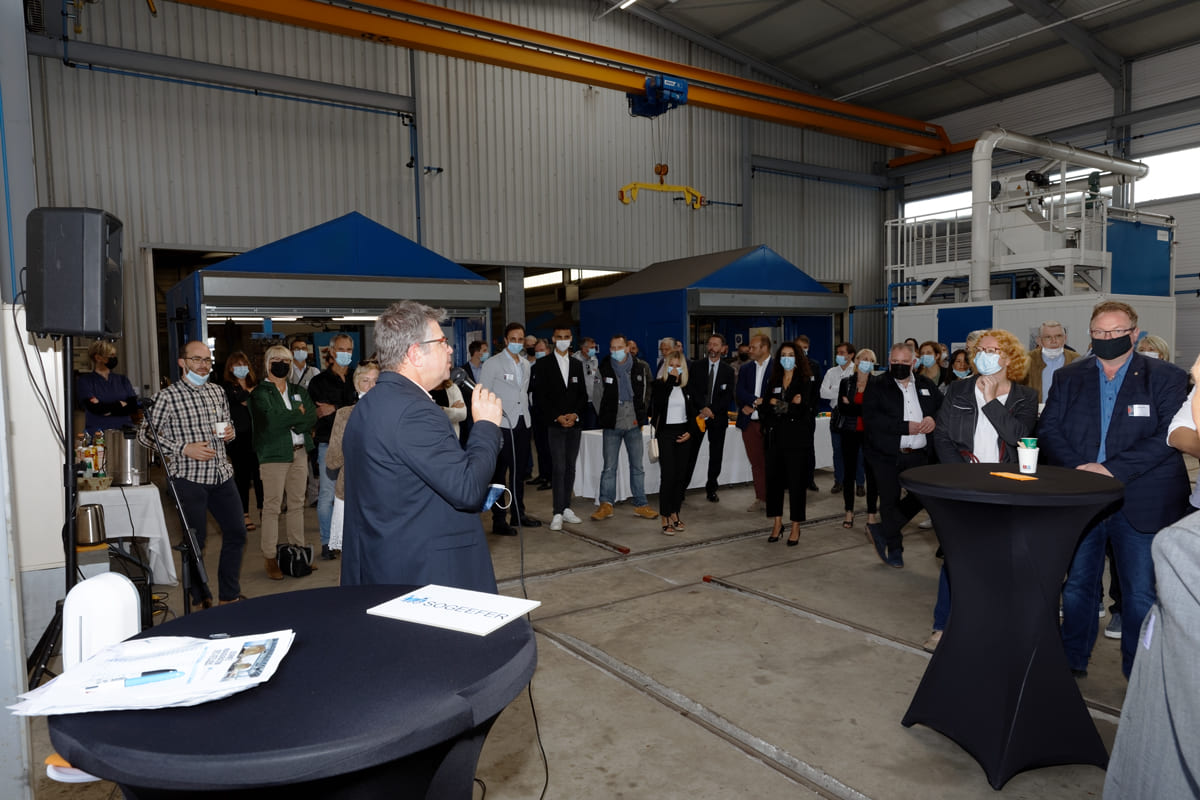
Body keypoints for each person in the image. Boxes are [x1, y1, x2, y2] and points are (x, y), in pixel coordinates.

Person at [1039, 300, 1190, 678]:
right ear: (1090, 335)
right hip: (1083, 497)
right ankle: (1070, 663)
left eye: (1115, 332)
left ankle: (1137, 673)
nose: (1106, 339)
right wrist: (1081, 469)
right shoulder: (1069, 378)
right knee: (1076, 590)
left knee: (1139, 595)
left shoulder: (1166, 377)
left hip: (1142, 500)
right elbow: (1049, 429)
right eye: (1099, 333)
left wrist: (1109, 469)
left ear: (1133, 334)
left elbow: (1166, 437)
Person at [341, 300, 504, 593]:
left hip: (387, 562)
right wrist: (485, 427)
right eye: (442, 342)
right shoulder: (414, 412)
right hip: (426, 574)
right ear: (416, 353)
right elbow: (467, 490)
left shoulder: (371, 404)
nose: (451, 349)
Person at [927, 330, 1037, 651]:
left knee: (1002, 558)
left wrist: (991, 401)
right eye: (981, 350)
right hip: (963, 484)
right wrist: (961, 476)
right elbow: (943, 437)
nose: (985, 355)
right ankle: (943, 625)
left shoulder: (1024, 397)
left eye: (993, 350)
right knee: (956, 558)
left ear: (1009, 358)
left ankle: (996, 624)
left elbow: (1018, 436)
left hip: (1005, 487)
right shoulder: (959, 390)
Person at [138, 341, 246, 607]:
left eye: (207, 360)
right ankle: (199, 597)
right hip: (188, 478)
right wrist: (183, 448)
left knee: (237, 533)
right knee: (195, 541)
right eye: (196, 359)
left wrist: (230, 432)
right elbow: (145, 434)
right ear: (182, 363)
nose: (203, 365)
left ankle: (229, 595)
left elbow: (226, 424)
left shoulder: (217, 392)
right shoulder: (168, 396)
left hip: (221, 474)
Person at [862, 342, 943, 569]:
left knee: (922, 496)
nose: (898, 366)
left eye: (903, 363)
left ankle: (882, 530)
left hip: (918, 455)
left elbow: (941, 407)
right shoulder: (877, 384)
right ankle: (895, 549)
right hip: (886, 454)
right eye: (894, 362)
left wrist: (932, 419)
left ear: (913, 363)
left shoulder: (926, 385)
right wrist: (904, 426)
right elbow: (871, 419)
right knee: (889, 501)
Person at [250, 345, 318, 581]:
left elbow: (310, 416)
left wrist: (297, 418)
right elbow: (270, 422)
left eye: (286, 360)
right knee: (272, 506)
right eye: (277, 359)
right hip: (273, 455)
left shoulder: (298, 390)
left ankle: (298, 551)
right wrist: (296, 416)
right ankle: (270, 557)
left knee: (298, 504)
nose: (282, 364)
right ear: (268, 363)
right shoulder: (260, 393)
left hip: (299, 452)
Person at [480, 321, 542, 535]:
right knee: (499, 475)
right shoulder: (493, 364)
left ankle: (518, 513)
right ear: (506, 341)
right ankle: (499, 520)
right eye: (513, 339)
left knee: (519, 473)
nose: (517, 343)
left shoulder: (525, 364)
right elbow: (483, 393)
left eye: (520, 339)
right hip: (501, 425)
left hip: (522, 424)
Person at [591, 334, 658, 522]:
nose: (615, 351)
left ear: (627, 348)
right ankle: (606, 504)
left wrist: (640, 416)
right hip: (612, 424)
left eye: (618, 347)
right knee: (609, 467)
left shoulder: (640, 367)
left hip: (634, 424)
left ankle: (641, 504)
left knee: (637, 466)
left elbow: (646, 394)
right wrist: (606, 416)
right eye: (612, 348)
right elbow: (597, 397)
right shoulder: (603, 368)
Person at [306, 333, 358, 560]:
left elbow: (357, 409)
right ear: (332, 352)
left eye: (349, 349)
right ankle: (327, 542)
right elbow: (319, 416)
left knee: (355, 495)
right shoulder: (318, 382)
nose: (346, 354)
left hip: (358, 446)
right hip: (329, 444)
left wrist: (335, 408)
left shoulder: (358, 378)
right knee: (327, 495)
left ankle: (352, 539)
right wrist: (347, 408)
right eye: (342, 349)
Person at [532, 326, 588, 531]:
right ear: (554, 339)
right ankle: (557, 511)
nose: (563, 340)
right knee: (558, 468)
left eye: (567, 337)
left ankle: (566, 508)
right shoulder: (543, 364)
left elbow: (582, 394)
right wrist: (557, 416)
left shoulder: (576, 364)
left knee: (570, 467)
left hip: (574, 424)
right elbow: (540, 397)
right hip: (554, 424)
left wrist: (575, 415)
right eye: (560, 337)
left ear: (571, 339)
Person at [761, 343, 814, 546]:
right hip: (774, 439)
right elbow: (765, 406)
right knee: (773, 484)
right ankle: (776, 523)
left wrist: (778, 404)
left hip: (796, 440)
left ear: (797, 358)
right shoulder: (774, 379)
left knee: (796, 484)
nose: (787, 358)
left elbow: (802, 411)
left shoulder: (805, 381)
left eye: (791, 355)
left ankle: (795, 526)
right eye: (783, 355)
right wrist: (788, 405)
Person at [325, 361, 380, 551]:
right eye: (366, 381)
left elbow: (333, 461)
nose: (371, 386)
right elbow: (332, 461)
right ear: (356, 384)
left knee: (355, 556)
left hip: (367, 491)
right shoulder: (346, 415)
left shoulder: (345, 414)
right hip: (359, 491)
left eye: (375, 381)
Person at [650, 351, 701, 535]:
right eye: (670, 365)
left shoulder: (688, 387)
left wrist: (690, 432)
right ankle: (664, 515)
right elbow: (659, 403)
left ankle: (674, 511)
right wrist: (671, 380)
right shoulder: (660, 385)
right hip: (665, 434)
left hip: (684, 433)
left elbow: (694, 413)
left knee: (680, 476)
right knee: (668, 475)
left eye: (678, 366)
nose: (674, 369)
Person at [685, 333, 736, 503]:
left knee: (716, 455)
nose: (712, 348)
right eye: (710, 344)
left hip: (717, 418)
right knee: (690, 453)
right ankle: (681, 488)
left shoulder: (728, 371)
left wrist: (711, 410)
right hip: (698, 416)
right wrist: (703, 408)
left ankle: (711, 489)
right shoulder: (696, 366)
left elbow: (728, 396)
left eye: (716, 345)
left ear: (723, 348)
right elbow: (691, 389)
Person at [835, 348, 879, 531]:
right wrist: (861, 408)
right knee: (849, 474)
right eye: (863, 359)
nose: (866, 362)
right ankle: (848, 511)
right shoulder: (846, 382)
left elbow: (875, 411)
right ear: (857, 361)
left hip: (870, 434)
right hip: (850, 432)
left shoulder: (878, 384)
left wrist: (852, 405)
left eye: (870, 359)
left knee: (871, 474)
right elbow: (842, 408)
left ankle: (871, 514)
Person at [222, 352, 263, 533]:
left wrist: (251, 393)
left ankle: (263, 509)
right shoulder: (227, 387)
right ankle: (244, 513)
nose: (241, 367)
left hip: (257, 436)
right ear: (230, 368)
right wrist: (250, 394)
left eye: (244, 364)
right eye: (237, 364)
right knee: (242, 477)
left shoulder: (256, 384)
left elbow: (260, 404)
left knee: (260, 475)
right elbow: (243, 401)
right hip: (238, 438)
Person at [736, 333, 773, 513]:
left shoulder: (777, 368)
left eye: (753, 347)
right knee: (756, 463)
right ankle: (761, 497)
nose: (749, 350)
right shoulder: (746, 369)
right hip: (749, 423)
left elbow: (777, 397)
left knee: (771, 461)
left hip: (770, 422)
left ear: (764, 348)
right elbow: (739, 392)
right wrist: (752, 402)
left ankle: (773, 497)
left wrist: (760, 403)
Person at [820, 341, 861, 496]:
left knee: (857, 451)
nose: (839, 355)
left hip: (853, 415)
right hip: (837, 414)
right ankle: (839, 481)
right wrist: (842, 389)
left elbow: (853, 393)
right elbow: (823, 393)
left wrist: (835, 388)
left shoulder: (855, 371)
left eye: (843, 353)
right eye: (838, 352)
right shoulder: (831, 372)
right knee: (838, 450)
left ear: (851, 355)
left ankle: (860, 483)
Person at [77, 340, 137, 434]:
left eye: (114, 355)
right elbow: (95, 408)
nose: (114, 358)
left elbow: (132, 407)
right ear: (98, 357)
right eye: (111, 355)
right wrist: (120, 404)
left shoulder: (122, 380)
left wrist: (108, 410)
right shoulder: (86, 381)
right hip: (98, 433)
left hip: (124, 432)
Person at [1023, 320, 1079, 403]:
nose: (1053, 341)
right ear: (1039, 341)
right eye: (1048, 337)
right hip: (1036, 413)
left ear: (1065, 338)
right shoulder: (1027, 361)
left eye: (1058, 336)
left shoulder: (1076, 360)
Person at [793, 334, 823, 491]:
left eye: (805, 348)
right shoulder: (788, 365)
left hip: (807, 415)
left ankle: (809, 479)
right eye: (799, 348)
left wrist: (812, 410)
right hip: (790, 414)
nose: (802, 351)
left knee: (808, 448)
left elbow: (817, 390)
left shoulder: (815, 366)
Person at [527, 338, 553, 489]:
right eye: (536, 351)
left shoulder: (553, 368)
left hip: (550, 414)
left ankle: (551, 477)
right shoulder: (534, 368)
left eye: (541, 350)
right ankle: (542, 475)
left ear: (548, 351)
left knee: (549, 448)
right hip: (536, 412)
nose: (539, 353)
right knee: (540, 445)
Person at [573, 336, 602, 429]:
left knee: (594, 429)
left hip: (594, 401)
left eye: (594, 347)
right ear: (584, 348)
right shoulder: (573, 361)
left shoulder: (595, 359)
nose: (594, 350)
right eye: (592, 348)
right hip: (580, 402)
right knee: (583, 429)